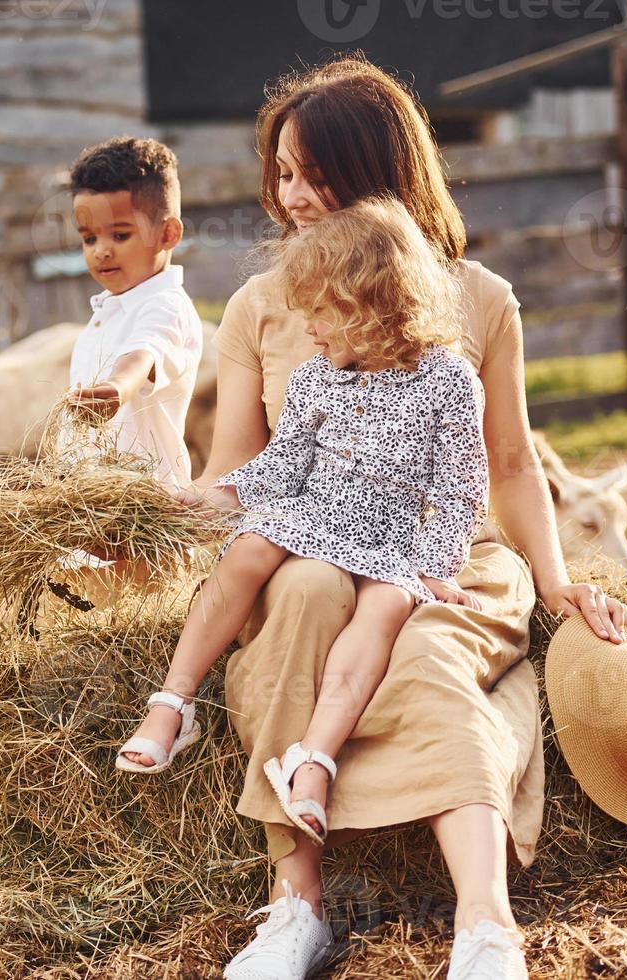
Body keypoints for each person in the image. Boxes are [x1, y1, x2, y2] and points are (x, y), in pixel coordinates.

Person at [192, 58, 627, 980]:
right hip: (313, 538)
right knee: (303, 597)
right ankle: (295, 910)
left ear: (382, 170)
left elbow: (509, 464)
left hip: (445, 546)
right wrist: (148, 516)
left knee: (428, 647)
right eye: (281, 171)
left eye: (315, 172)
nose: (294, 195)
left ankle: (483, 926)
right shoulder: (258, 308)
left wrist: (557, 587)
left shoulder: (478, 297)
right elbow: (236, 469)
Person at [116, 199, 489, 864]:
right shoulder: (317, 378)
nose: (308, 328)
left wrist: (436, 566)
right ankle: (173, 704)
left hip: (389, 538)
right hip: (312, 515)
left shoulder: (448, 380)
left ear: (372, 302)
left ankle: (313, 759)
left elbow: (459, 488)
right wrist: (217, 497)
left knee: (385, 609)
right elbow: (284, 467)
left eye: (320, 310)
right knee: (251, 549)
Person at [62, 136, 203, 489]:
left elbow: (144, 353)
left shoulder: (166, 306)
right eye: (89, 239)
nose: (101, 252)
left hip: (143, 509)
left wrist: (117, 387)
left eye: (120, 235)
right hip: (96, 505)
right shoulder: (107, 312)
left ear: (168, 233)